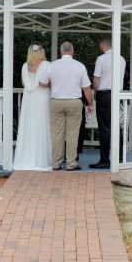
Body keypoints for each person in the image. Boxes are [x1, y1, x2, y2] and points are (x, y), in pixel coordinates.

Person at [47, 41, 94, 171]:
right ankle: (71, 163)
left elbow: (47, 82)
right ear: (72, 51)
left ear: (60, 51)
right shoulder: (79, 66)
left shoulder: (52, 66)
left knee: (57, 134)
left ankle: (56, 163)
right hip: (74, 102)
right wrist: (90, 103)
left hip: (56, 101)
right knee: (72, 134)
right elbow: (87, 88)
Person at [13, 44, 53, 170]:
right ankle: (42, 159)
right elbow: (50, 83)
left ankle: (26, 157)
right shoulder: (47, 64)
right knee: (42, 125)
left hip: (29, 98)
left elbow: (24, 83)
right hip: (42, 98)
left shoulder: (25, 65)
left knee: (29, 125)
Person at [90, 36, 126, 169]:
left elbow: (97, 79)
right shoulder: (121, 59)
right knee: (117, 126)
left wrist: (95, 92)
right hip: (117, 95)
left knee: (104, 127)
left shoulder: (101, 59)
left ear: (102, 46)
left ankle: (105, 160)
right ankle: (120, 157)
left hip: (104, 95)